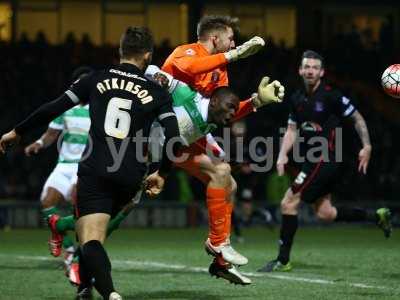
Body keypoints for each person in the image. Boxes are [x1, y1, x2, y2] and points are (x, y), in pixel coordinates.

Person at [49, 65, 285, 286]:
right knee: (115, 213)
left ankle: (219, 247)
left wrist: (256, 102)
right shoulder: (187, 96)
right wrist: (152, 85)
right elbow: (153, 71)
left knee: (225, 179)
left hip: (159, 160)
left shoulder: (214, 118)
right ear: (213, 102)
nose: (231, 115)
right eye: (229, 109)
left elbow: (207, 123)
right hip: (134, 155)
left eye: (234, 110)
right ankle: (68, 238)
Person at [0, 27, 180, 300]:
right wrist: (162, 172)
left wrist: (17, 131)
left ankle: (110, 293)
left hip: (95, 168)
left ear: (121, 51)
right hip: (131, 173)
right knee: (95, 237)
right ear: (148, 56)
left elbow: (53, 107)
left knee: (90, 239)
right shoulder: (157, 91)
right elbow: (175, 139)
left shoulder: (95, 79)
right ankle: (85, 288)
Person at [257, 50, 392, 273]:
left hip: (325, 158)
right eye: (306, 66)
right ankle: (376, 216)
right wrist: (282, 154)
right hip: (313, 161)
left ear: (321, 72)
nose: (310, 70)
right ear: (300, 70)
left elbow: (357, 118)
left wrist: (366, 145)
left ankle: (282, 260)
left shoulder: (331, 96)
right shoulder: (297, 99)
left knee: (288, 203)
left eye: (314, 67)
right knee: (325, 213)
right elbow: (292, 129)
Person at [162, 15, 267, 275]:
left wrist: (256, 102)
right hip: (159, 134)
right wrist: (233, 56)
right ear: (214, 37)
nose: (234, 45)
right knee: (123, 201)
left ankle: (220, 254)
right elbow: (190, 69)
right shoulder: (187, 52)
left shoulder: (220, 70)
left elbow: (222, 112)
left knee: (227, 180)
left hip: (190, 137)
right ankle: (219, 247)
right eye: (231, 39)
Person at [24, 66, 92, 271]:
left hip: (85, 167)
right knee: (46, 203)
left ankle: (83, 257)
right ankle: (69, 247)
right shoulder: (65, 109)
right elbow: (51, 135)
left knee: (77, 204)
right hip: (64, 165)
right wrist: (38, 143)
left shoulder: (100, 109)